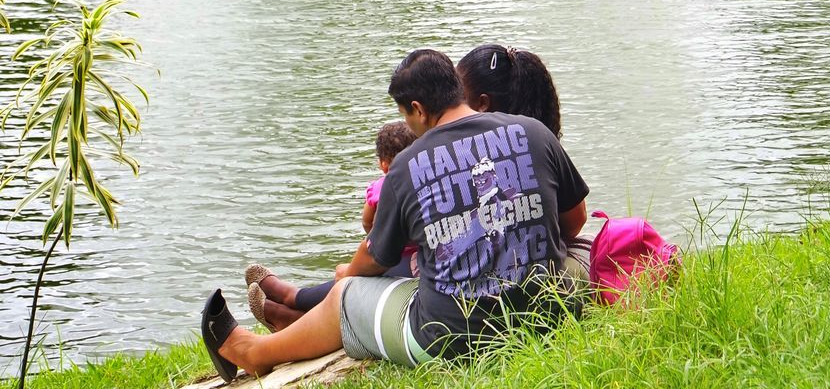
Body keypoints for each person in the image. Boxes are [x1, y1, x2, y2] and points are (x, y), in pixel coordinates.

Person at [201, 49, 589, 380]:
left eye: (405, 115)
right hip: (548, 315)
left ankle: (254, 352)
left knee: (347, 295)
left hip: (448, 339)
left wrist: (346, 275)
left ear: (417, 109)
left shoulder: (407, 165)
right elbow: (573, 223)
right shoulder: (533, 132)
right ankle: (293, 322)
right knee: (578, 259)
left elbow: (375, 258)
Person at [245, 120, 417, 330]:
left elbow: (366, 222)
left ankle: (293, 299)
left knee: (351, 277)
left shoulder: (382, 187)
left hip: (403, 260)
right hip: (411, 258)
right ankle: (295, 313)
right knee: (356, 272)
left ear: (383, 164)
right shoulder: (421, 181)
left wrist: (355, 265)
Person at [457, 44, 562, 138]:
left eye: (460, 95)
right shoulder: (543, 144)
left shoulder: (467, 153)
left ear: (483, 104)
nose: (453, 102)